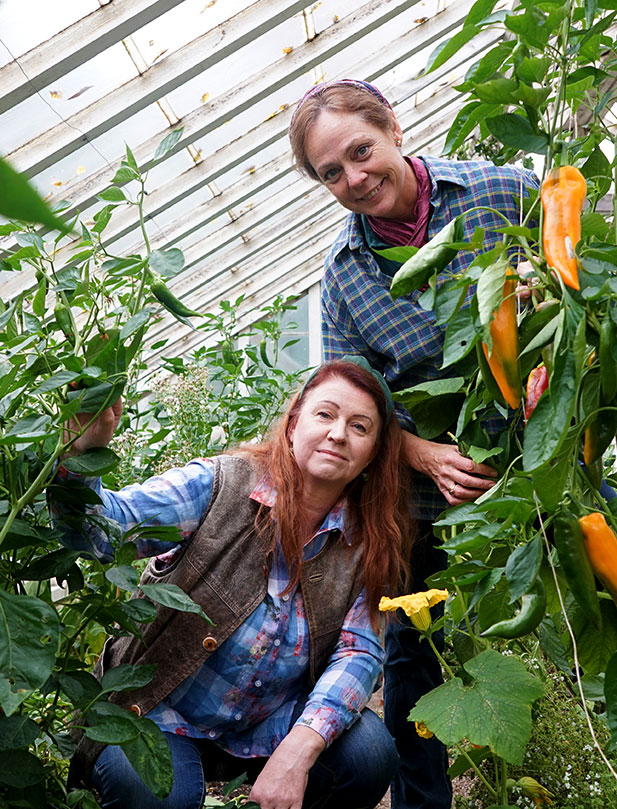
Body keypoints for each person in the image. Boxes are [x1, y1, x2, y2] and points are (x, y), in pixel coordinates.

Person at [289, 78, 540, 809]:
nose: (354, 178)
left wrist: (553, 347)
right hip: (428, 491)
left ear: (393, 128)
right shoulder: (345, 277)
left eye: (360, 151)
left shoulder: (501, 192)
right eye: (331, 173)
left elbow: (585, 278)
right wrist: (424, 454)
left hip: (544, 462)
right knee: (413, 653)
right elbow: (351, 403)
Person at [49, 357, 412, 809]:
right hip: (157, 712)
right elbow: (103, 533)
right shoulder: (220, 485)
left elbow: (359, 652)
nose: (338, 434)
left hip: (268, 722)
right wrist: (80, 455)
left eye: (359, 427)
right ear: (293, 424)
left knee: (368, 753)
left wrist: (299, 751)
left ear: (372, 453)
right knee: (160, 797)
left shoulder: (369, 541)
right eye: (325, 414)